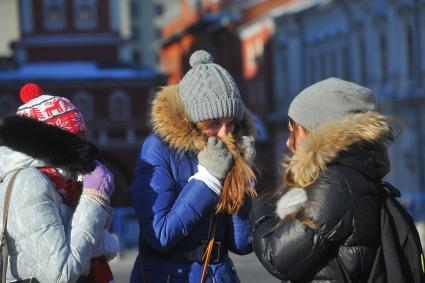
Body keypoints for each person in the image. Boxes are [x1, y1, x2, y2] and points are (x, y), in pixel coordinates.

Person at [129, 50, 257, 283]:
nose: (225, 134)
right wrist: (208, 179)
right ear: (193, 121)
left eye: (232, 124)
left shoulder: (229, 151)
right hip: (171, 276)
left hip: (220, 275)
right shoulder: (159, 148)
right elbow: (160, 235)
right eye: (214, 124)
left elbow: (242, 244)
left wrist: (242, 182)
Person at [250, 77, 394, 282]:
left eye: (294, 130)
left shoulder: (334, 183)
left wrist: (259, 207)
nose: (288, 141)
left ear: (315, 130)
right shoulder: (353, 171)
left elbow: (277, 257)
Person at [0, 83, 119, 283]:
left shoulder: (63, 182)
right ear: (50, 142)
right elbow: (59, 275)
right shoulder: (29, 183)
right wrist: (94, 198)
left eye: (81, 138)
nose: (81, 147)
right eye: (73, 139)